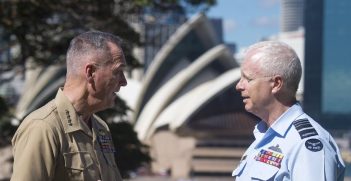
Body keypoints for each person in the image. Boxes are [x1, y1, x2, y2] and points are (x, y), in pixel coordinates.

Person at [11, 31, 127, 181]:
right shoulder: (42, 127)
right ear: (91, 72)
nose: (124, 81)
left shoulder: (101, 128)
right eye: (117, 71)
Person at [232, 41, 345, 180]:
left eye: (248, 79)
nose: (238, 86)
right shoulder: (263, 135)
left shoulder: (307, 145)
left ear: (276, 84)